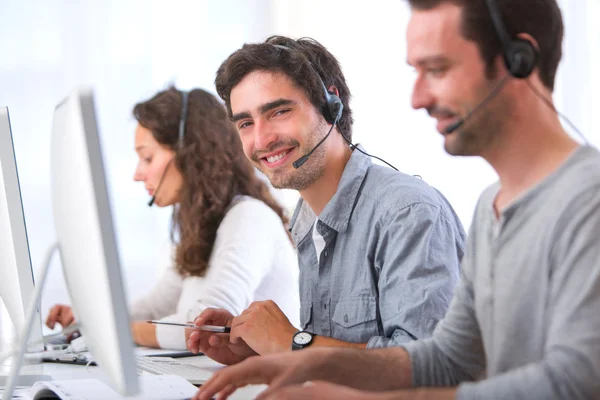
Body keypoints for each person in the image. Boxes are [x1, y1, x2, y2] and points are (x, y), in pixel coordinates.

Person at [192, 0, 600, 399]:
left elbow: (574, 383)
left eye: (437, 69)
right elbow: (444, 359)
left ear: (519, 60)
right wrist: (294, 361)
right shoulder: (493, 203)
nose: (417, 98)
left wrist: (316, 372)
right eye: (245, 122)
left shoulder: (588, 199)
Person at [186, 35, 465, 364]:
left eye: (278, 112)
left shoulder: (407, 213)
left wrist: (291, 343)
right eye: (246, 123)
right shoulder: (307, 221)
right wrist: (261, 351)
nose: (261, 139)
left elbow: (433, 367)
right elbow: (334, 361)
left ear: (331, 103)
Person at [45, 87, 300, 350]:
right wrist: (87, 321)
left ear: (189, 153)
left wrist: (115, 331)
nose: (137, 174)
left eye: (147, 158)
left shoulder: (249, 217)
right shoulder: (204, 225)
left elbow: (202, 327)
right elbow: (157, 306)